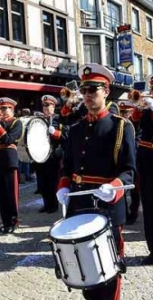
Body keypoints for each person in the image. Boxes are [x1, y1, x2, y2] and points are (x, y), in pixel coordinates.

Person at [56, 63, 136, 300]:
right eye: (84, 90)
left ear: (106, 91)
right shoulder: (77, 128)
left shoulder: (120, 127)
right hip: (79, 205)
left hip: (107, 207)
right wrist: (63, 186)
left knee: (108, 273)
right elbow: (67, 167)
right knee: (85, 273)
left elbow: (129, 171)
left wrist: (114, 187)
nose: (88, 96)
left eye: (94, 90)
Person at [0, 97, 23, 233]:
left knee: (10, 194)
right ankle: (5, 222)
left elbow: (9, 139)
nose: (1, 111)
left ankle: (13, 222)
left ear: (12, 109)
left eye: (4, 108)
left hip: (9, 161)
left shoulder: (16, 123)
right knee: (0, 195)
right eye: (0, 108)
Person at [131, 74, 153, 264]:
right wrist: (138, 109)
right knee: (149, 205)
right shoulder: (146, 107)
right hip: (147, 160)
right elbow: (133, 125)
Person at [37, 95, 68, 213]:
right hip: (41, 154)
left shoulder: (59, 118)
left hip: (53, 154)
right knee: (42, 182)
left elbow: (66, 135)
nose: (45, 107)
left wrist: (55, 133)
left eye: (48, 105)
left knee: (52, 181)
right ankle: (46, 204)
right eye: (44, 105)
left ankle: (53, 205)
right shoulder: (39, 119)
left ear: (53, 106)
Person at [118, 101, 141, 225]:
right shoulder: (119, 124)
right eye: (122, 112)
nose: (123, 115)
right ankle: (125, 212)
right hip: (121, 161)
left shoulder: (137, 125)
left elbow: (138, 142)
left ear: (132, 112)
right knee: (122, 188)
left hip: (135, 160)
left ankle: (134, 212)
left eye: (126, 112)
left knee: (134, 190)